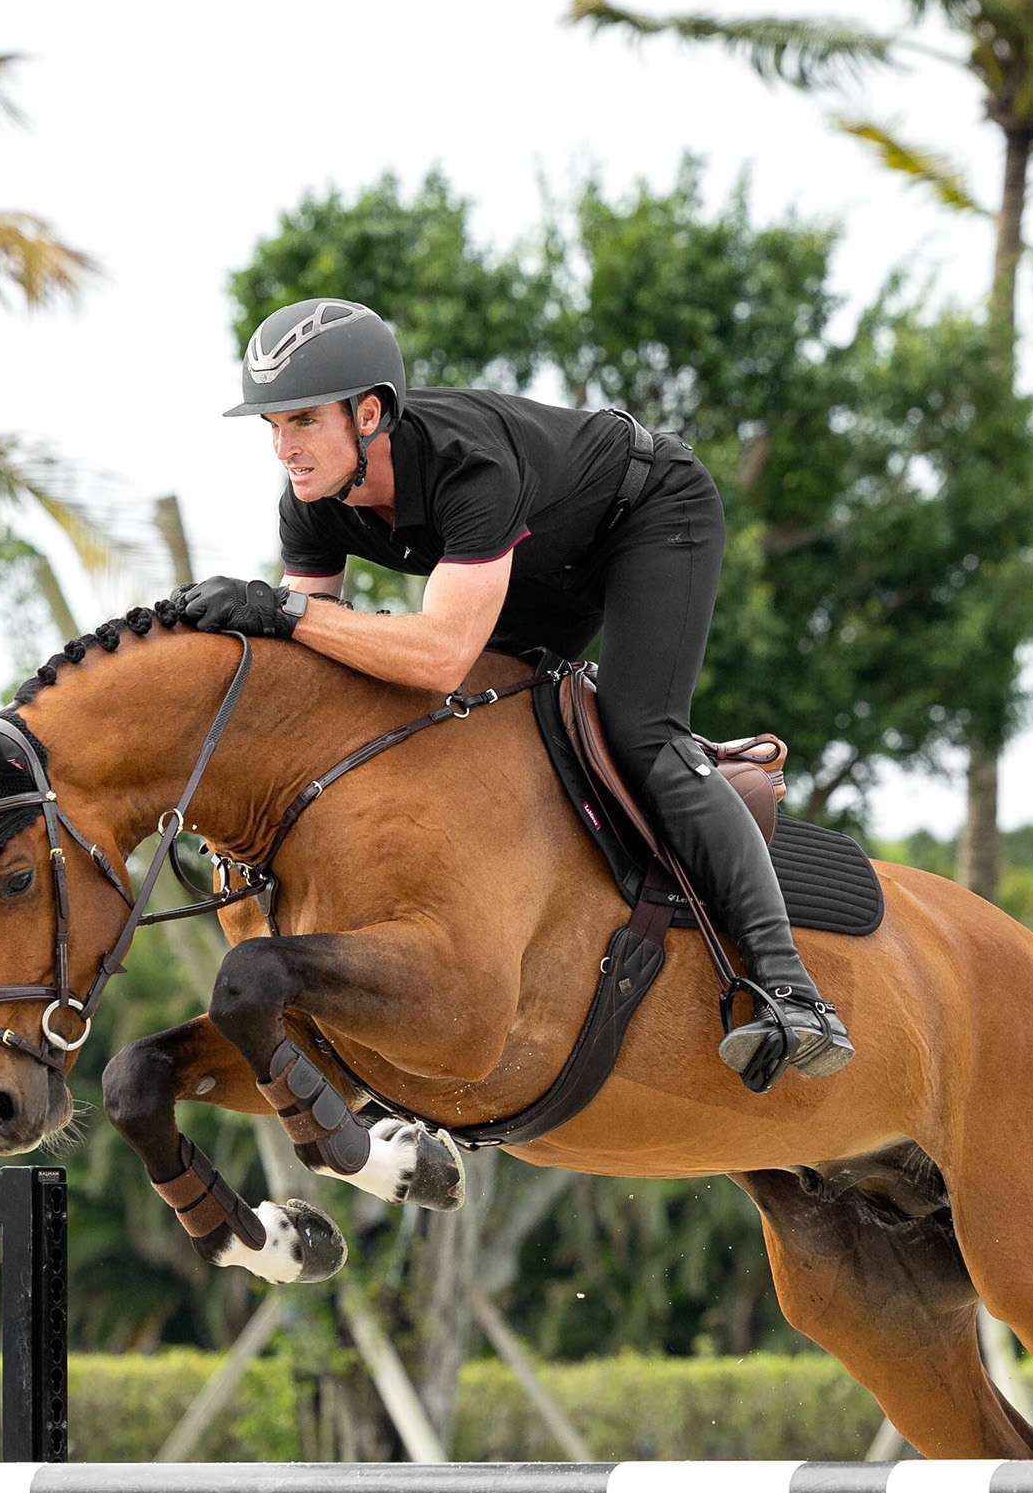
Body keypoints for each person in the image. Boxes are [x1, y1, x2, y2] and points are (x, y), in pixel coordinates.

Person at [177, 297, 853, 1088]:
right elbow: (322, 666)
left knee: (640, 731)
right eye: (272, 428)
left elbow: (435, 655)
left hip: (649, 515)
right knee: (450, 729)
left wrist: (282, 610)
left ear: (368, 413)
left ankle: (791, 991)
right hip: (536, 558)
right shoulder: (312, 502)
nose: (285, 450)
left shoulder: (467, 465)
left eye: (302, 423)